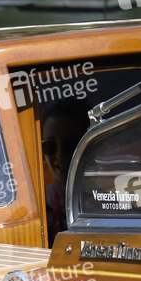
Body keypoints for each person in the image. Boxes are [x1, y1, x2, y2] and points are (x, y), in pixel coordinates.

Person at [41, 99, 89, 246]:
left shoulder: (106, 204)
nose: (60, 154)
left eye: (70, 144)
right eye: (50, 145)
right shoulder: (37, 209)